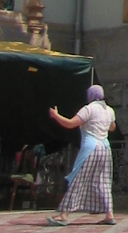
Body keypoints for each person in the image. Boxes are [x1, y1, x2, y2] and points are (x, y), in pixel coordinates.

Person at [48, 84, 116, 225]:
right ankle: (109, 214)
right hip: (105, 148)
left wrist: (56, 116)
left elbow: (70, 124)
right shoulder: (109, 110)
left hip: (91, 147)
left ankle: (64, 215)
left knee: (78, 179)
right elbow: (112, 127)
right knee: (103, 181)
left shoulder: (88, 109)